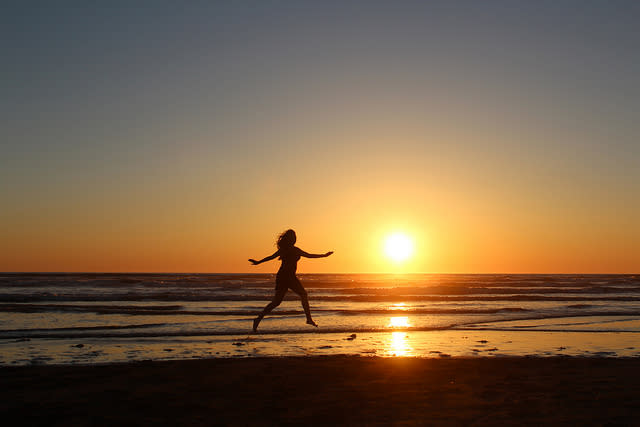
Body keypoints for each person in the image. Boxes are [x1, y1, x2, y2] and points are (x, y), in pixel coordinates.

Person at [249, 229, 333, 332]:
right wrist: (258, 262)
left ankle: (258, 319)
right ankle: (308, 319)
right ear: (289, 239)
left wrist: (324, 255)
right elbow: (271, 257)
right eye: (293, 237)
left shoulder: (292, 249)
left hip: (287, 276)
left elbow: (309, 255)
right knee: (290, 298)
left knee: (281, 301)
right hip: (285, 276)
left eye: (295, 237)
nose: (295, 238)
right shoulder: (287, 249)